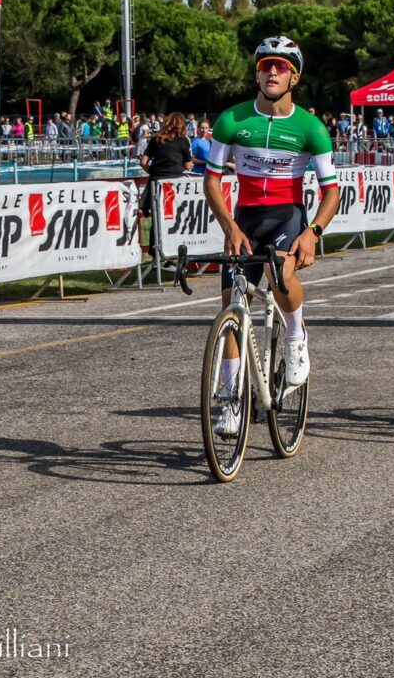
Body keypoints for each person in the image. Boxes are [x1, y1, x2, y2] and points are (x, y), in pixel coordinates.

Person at [203, 36, 340, 438]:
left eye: (281, 66)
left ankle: (296, 337)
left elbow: (331, 191)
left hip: (288, 216)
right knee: (231, 305)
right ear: (257, 73)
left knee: (281, 272)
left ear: (294, 76)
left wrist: (313, 232)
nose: (272, 72)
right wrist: (229, 226)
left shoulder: (311, 128)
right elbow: (211, 182)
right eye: (266, 66)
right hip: (245, 218)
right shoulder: (232, 120)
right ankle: (230, 401)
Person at [140, 112, 193, 254]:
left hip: (157, 183)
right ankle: (172, 253)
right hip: (175, 184)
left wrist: (152, 171)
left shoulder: (156, 139)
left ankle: (156, 254)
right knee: (176, 218)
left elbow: (143, 162)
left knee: (157, 219)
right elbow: (188, 166)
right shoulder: (183, 140)